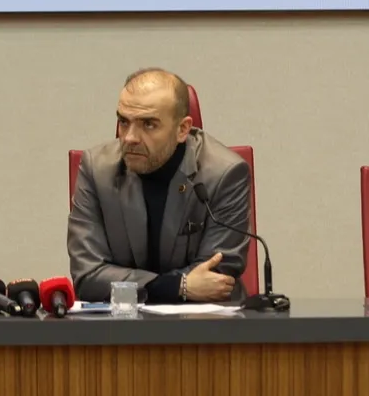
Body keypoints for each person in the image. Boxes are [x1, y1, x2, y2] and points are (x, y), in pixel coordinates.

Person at [67, 68, 251, 304]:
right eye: (124, 122)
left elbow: (215, 279)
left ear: (182, 129)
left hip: (204, 320)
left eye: (148, 124)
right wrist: (178, 286)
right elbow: (88, 276)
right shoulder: (97, 169)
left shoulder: (224, 173)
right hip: (120, 321)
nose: (130, 137)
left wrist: (131, 285)